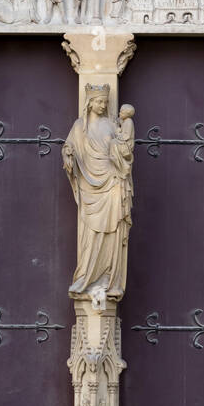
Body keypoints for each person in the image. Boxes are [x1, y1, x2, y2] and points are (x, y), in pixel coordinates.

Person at [62, 84, 134, 302]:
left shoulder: (111, 125)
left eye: (104, 102)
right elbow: (70, 147)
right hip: (89, 184)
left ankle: (108, 279)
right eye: (98, 101)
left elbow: (124, 151)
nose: (102, 105)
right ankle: (86, 276)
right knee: (91, 234)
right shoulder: (79, 126)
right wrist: (68, 154)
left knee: (112, 231)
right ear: (90, 102)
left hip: (112, 181)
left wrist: (119, 148)